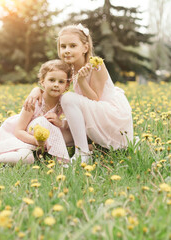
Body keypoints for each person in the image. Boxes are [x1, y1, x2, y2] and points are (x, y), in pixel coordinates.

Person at [24, 24, 134, 163]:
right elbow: (55, 86)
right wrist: (37, 90)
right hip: (93, 115)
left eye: (72, 46)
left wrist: (82, 81)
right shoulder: (70, 68)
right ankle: (30, 149)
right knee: (55, 135)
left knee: (68, 97)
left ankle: (83, 154)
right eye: (63, 47)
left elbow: (96, 99)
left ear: (85, 48)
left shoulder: (96, 65)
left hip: (109, 116)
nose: (67, 51)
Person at [0, 59, 72, 167]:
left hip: (41, 137)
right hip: (20, 136)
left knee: (28, 157)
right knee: (27, 157)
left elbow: (73, 124)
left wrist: (60, 122)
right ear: (42, 81)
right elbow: (18, 131)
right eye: (52, 80)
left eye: (61, 81)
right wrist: (36, 142)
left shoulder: (63, 102)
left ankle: (80, 151)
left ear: (67, 85)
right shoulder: (33, 101)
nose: (56, 85)